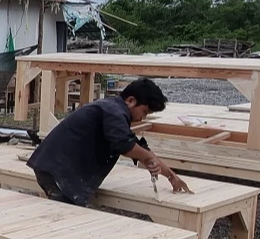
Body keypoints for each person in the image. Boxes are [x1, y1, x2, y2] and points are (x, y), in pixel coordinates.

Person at [27, 77, 191, 207]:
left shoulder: (114, 112)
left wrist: (171, 176)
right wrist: (148, 158)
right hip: (58, 171)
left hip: (57, 169)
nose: (143, 117)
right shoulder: (114, 112)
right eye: (144, 112)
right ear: (131, 101)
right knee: (67, 216)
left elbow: (137, 147)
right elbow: (124, 145)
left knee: (71, 212)